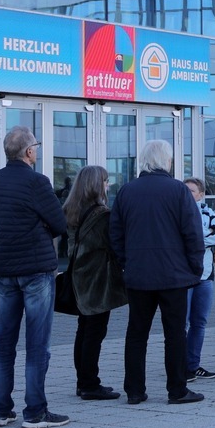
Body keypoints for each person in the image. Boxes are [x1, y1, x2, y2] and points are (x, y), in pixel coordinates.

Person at [0, 126, 70, 428]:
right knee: (37, 344)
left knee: (3, 343)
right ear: (29, 152)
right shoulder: (37, 182)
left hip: (6, 270)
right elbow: (59, 223)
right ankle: (35, 412)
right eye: (35, 147)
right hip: (36, 271)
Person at [110, 139, 204, 406]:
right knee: (174, 334)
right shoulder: (178, 191)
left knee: (136, 333)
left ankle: (134, 391)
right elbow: (193, 234)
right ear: (167, 161)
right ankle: (177, 390)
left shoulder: (127, 191)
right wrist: (195, 268)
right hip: (174, 275)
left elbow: (115, 234)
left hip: (138, 275)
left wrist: (125, 263)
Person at [63, 165, 128, 401]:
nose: (107, 185)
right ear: (95, 184)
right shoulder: (102, 215)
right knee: (95, 331)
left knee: (84, 329)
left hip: (79, 276)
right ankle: (90, 383)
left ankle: (83, 381)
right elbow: (114, 247)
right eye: (105, 180)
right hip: (98, 280)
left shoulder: (71, 209)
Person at [184, 177, 215, 381]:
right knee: (182, 323)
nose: (188, 194)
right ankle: (180, 366)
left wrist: (194, 241)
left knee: (199, 322)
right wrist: (198, 239)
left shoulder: (208, 212)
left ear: (201, 194)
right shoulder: (178, 212)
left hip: (205, 276)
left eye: (192, 191)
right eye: (185, 190)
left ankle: (194, 364)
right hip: (183, 276)